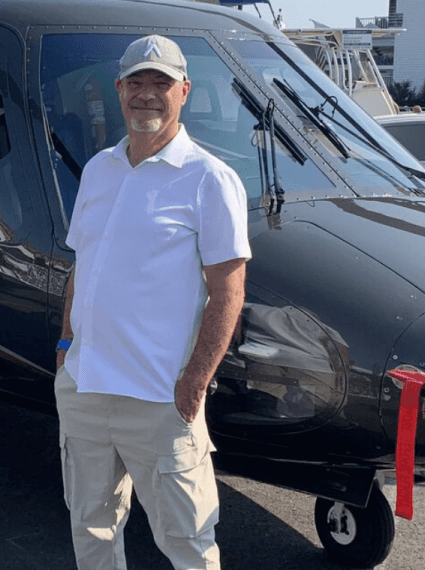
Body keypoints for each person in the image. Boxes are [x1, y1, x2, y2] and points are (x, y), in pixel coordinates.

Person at [55, 35, 250, 570]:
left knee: (187, 543)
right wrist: (65, 347)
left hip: (161, 398)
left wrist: (195, 382)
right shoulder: (98, 170)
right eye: (136, 82)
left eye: (161, 83)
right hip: (85, 388)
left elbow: (229, 291)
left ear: (183, 91)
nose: (147, 94)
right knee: (90, 526)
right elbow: (83, 267)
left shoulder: (210, 179)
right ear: (119, 89)